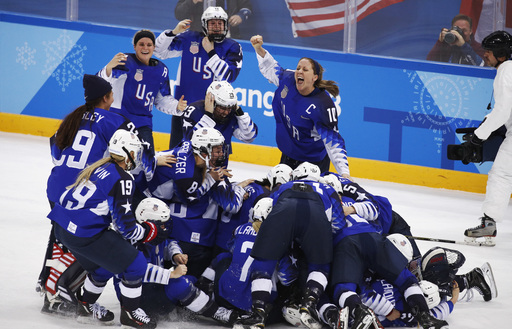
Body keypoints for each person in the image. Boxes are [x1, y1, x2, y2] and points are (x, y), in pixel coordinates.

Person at [47, 130, 168, 328]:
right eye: (135, 152)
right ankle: (130, 314)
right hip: (83, 233)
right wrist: (149, 231)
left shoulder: (97, 166)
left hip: (61, 227)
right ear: (127, 153)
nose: (136, 157)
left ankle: (85, 306)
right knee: (136, 263)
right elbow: (126, 228)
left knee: (103, 266)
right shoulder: (123, 178)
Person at [235, 163, 344, 329]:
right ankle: (309, 304)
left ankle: (257, 314)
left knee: (264, 264)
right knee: (320, 267)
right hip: (315, 217)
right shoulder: (327, 189)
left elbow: (270, 208)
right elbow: (339, 223)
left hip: (283, 214)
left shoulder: (284, 186)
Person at [250, 35, 350, 177]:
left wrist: (344, 173)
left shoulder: (323, 105)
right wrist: (259, 49)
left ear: (315, 77)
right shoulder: (289, 79)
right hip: (289, 155)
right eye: (298, 68)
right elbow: (271, 68)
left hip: (313, 163)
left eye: (305, 69)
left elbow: (333, 142)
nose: (299, 71)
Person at [154, 6, 244, 148]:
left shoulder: (233, 47)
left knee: (210, 157)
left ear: (225, 25)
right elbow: (159, 52)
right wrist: (173, 32)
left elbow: (229, 76)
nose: (216, 27)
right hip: (184, 108)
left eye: (220, 23)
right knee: (177, 156)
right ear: (204, 24)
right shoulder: (190, 38)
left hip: (213, 112)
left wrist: (211, 52)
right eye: (212, 23)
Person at [98, 29, 187, 154]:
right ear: (134, 46)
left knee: (148, 164)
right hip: (117, 119)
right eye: (141, 44)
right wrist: (108, 68)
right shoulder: (125, 61)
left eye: (149, 45)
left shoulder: (162, 70)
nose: (145, 48)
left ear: (154, 47)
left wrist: (176, 106)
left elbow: (162, 99)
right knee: (107, 158)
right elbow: (99, 83)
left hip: (142, 124)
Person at [463, 31, 512, 246]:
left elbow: (502, 111)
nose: (485, 55)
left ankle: (488, 225)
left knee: (501, 175)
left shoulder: (506, 70)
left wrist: (478, 136)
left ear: (501, 55)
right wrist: (486, 123)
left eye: (489, 52)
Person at [182, 80, 258, 166]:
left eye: (229, 108)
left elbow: (249, 137)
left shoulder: (231, 114)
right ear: (211, 101)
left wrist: (239, 112)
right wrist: (208, 116)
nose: (226, 113)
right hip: (195, 173)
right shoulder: (194, 111)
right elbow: (189, 142)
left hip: (220, 174)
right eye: (222, 108)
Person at [175, 0, 253, 39]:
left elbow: (246, 9)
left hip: (227, 36)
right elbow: (179, 15)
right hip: (198, 36)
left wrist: (240, 16)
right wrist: (192, 1)